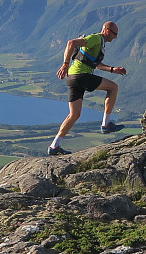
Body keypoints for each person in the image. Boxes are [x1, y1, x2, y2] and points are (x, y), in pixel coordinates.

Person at [48, 21, 127, 155]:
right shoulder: (96, 38)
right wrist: (65, 64)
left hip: (72, 78)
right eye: (114, 34)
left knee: (74, 114)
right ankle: (106, 124)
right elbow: (71, 43)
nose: (115, 37)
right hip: (81, 76)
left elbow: (93, 64)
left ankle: (54, 146)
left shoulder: (99, 44)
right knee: (113, 87)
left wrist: (112, 69)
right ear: (107, 31)